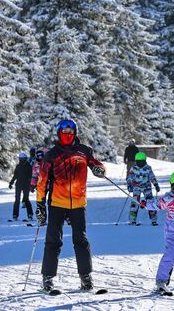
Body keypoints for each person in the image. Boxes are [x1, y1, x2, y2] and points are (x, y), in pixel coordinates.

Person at [36, 119, 106, 293]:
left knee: (80, 240)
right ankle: (48, 279)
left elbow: (97, 165)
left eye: (70, 132)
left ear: (75, 133)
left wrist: (100, 170)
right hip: (57, 203)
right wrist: (40, 204)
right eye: (64, 132)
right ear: (59, 133)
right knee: (53, 241)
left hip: (78, 203)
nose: (67, 135)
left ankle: (86, 278)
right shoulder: (51, 155)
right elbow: (42, 182)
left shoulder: (84, 151)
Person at [126, 152, 160, 225]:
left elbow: (152, 176)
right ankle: (132, 220)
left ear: (145, 160)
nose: (140, 163)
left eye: (142, 161)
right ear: (136, 161)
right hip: (136, 187)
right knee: (135, 202)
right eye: (138, 161)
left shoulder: (148, 168)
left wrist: (156, 184)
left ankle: (154, 220)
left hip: (146, 187)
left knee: (150, 202)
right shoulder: (134, 168)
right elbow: (130, 177)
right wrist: (129, 185)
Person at [9, 151, 33, 222]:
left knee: (26, 199)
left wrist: (31, 184)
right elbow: (15, 175)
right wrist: (11, 183)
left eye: (23, 159)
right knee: (17, 199)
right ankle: (15, 215)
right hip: (19, 184)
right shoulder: (18, 166)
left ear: (25, 159)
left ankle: (30, 214)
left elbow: (31, 175)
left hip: (26, 184)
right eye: (20, 159)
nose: (21, 160)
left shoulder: (28, 166)